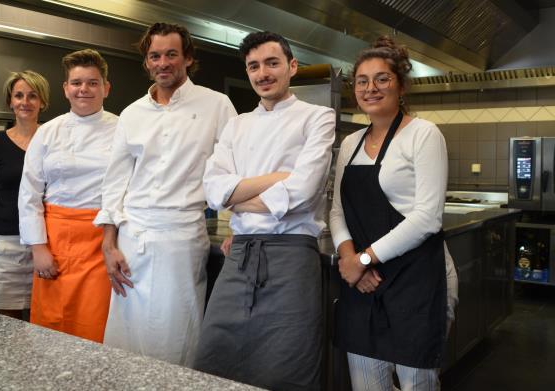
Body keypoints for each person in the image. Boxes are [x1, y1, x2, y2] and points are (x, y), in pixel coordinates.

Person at [194, 31, 335, 390]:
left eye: (272, 63)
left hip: (291, 257)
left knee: (288, 363)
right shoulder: (236, 124)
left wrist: (236, 194)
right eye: (253, 66)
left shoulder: (318, 117)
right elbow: (212, 191)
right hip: (240, 253)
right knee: (215, 354)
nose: (262, 73)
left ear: (292, 66)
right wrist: (275, 180)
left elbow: (302, 192)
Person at [93, 22, 236, 365]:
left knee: (178, 336)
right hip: (132, 238)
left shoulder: (217, 106)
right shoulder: (131, 114)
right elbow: (115, 183)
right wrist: (109, 244)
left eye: (171, 54)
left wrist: (236, 228)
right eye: (155, 56)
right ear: (147, 62)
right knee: (127, 339)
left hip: (182, 237)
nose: (163, 63)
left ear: (188, 58)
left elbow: (236, 170)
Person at [329, 36, 459, 390]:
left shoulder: (423, 135)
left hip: (417, 280)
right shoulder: (350, 145)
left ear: (400, 85)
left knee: (416, 381)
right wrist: (348, 260)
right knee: (367, 384)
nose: (371, 88)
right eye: (362, 81)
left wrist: (364, 260)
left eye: (382, 79)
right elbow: (338, 210)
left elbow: (427, 217)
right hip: (363, 284)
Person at [18, 49, 118, 342]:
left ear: (106, 88)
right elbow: (30, 192)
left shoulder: (123, 128)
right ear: (65, 88)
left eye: (92, 82)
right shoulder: (48, 132)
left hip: (102, 240)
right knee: (52, 323)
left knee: (95, 322)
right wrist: (38, 248)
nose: (83, 90)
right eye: (76, 83)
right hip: (55, 240)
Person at [0, 70, 50, 320]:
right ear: (10, 101)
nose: (25, 102)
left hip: (46, 244)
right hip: (5, 245)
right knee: (6, 325)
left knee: (46, 321)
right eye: (18, 96)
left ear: (43, 102)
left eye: (32, 96)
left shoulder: (53, 140)